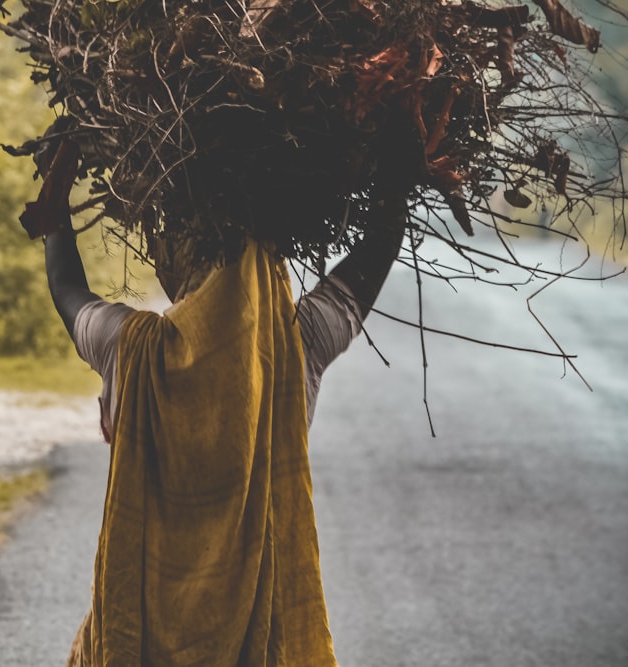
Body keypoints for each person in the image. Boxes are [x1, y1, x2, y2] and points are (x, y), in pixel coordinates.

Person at [36, 146, 406, 666]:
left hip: (138, 640)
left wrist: (55, 205)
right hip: (252, 644)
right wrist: (404, 163)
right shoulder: (294, 349)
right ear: (270, 262)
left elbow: (65, 288)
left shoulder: (131, 349)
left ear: (174, 261)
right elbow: (371, 260)